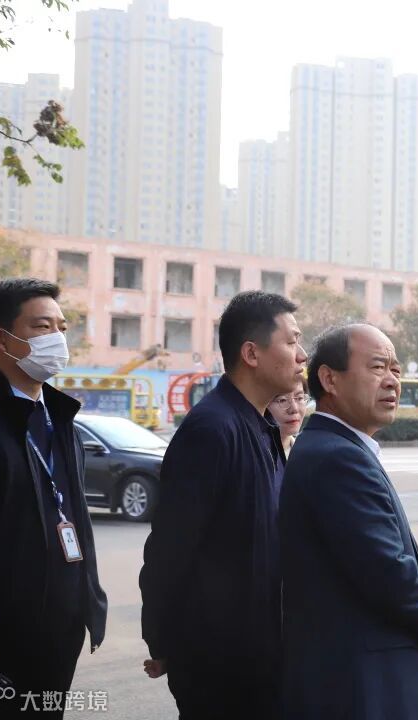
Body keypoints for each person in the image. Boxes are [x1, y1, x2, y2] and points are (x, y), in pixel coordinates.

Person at [279, 323, 418, 720]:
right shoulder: (337, 457)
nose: (392, 380)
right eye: (378, 367)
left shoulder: (333, 447)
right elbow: (387, 572)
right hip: (361, 686)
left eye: (395, 369)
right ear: (330, 379)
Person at [139, 291, 306, 719]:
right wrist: (162, 639)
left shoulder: (262, 427)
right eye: (291, 342)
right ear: (251, 353)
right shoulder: (212, 430)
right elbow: (169, 550)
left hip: (261, 658)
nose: (302, 355)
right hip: (221, 667)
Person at [0, 279, 107, 717]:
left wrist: (90, 603)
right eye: (43, 327)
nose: (58, 339)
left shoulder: (61, 420)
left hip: (60, 630)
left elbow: (76, 518)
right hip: (1, 637)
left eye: (62, 328)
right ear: (1, 339)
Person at [268, 377, 308, 456]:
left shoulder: (308, 455)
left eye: (299, 398)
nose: (294, 409)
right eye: (282, 400)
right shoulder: (250, 455)